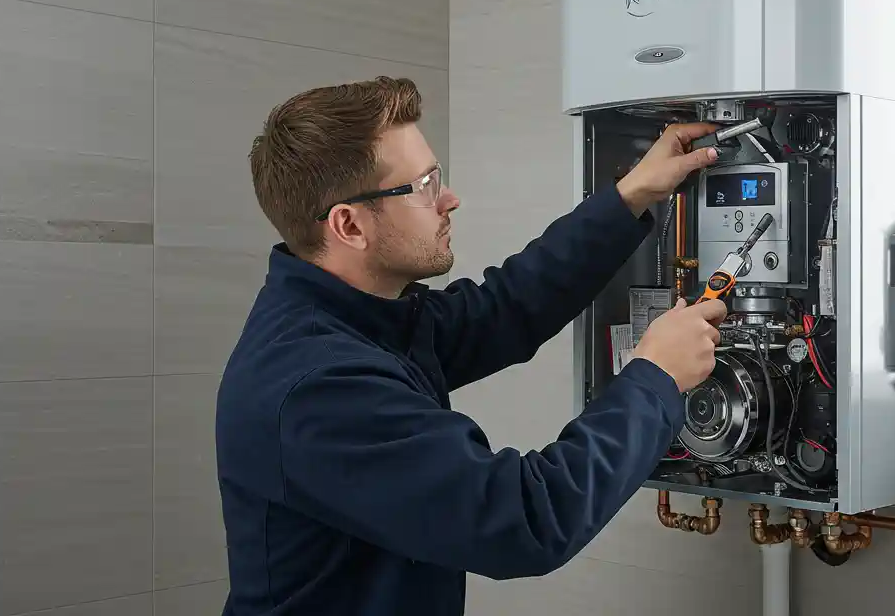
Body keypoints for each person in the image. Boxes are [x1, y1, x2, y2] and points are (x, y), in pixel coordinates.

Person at [214, 76, 727, 615]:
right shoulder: (318, 385)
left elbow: (502, 309)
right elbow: (525, 519)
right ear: (350, 225)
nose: (449, 200)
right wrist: (654, 376)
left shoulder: (359, 317)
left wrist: (631, 195)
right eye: (423, 186)